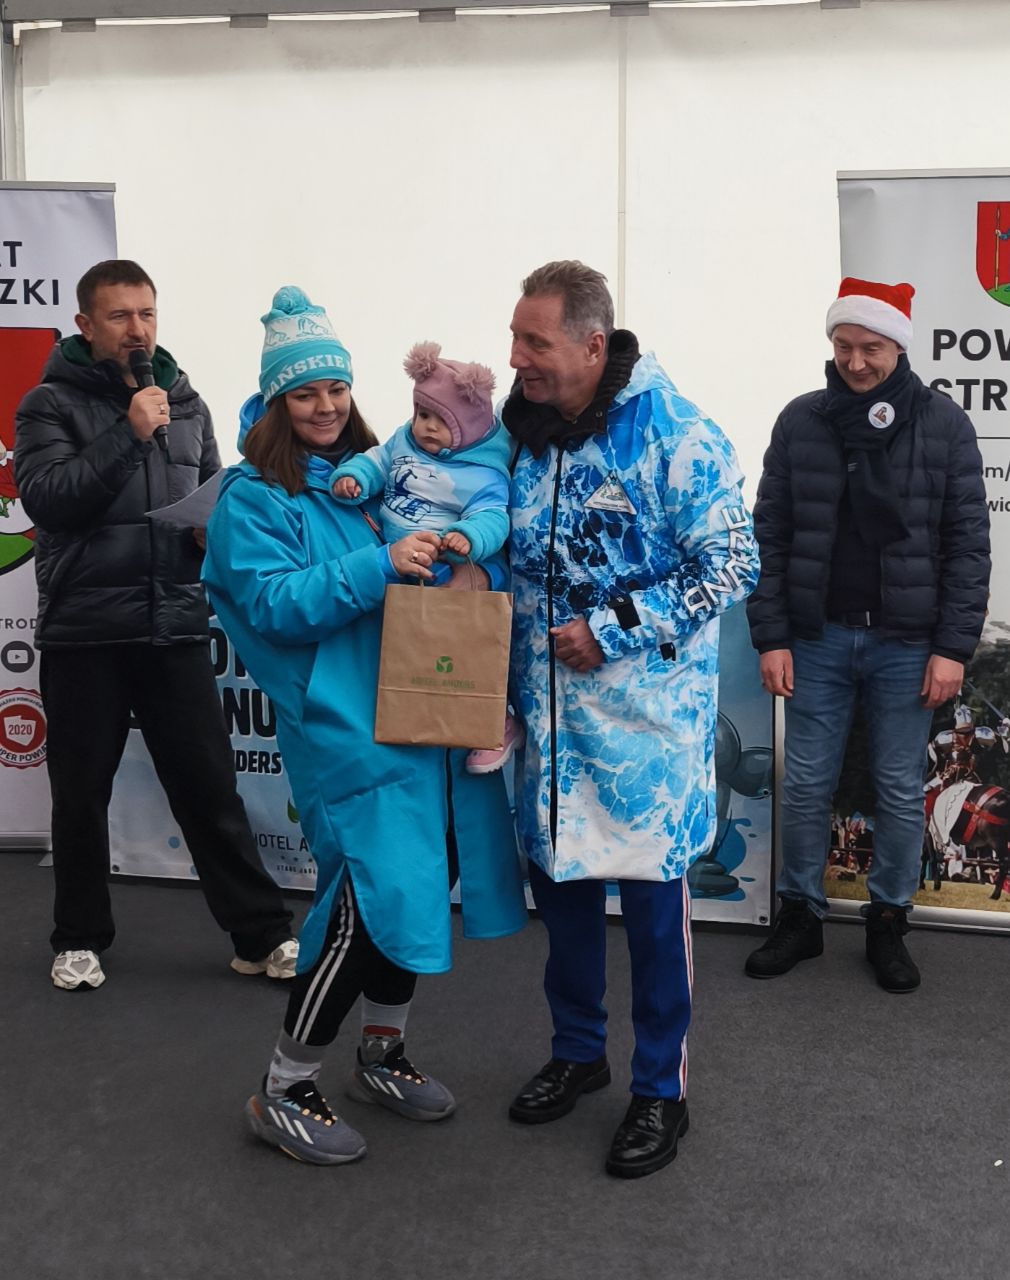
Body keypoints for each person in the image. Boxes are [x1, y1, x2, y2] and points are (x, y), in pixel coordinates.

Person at [201, 286, 527, 1167]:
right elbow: (273, 607)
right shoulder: (251, 498)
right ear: (275, 401)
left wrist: (470, 560)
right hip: (342, 731)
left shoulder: (370, 477)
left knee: (423, 883)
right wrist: (380, 563)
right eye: (305, 393)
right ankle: (284, 1085)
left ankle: (381, 1052)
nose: (326, 407)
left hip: (420, 715)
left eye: (337, 389)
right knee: (364, 906)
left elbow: (445, 546)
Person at [503, 260, 758, 1179]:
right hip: (550, 729)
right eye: (514, 337)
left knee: (653, 923)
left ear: (592, 344)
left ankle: (661, 1090)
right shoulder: (526, 432)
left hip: (646, 741)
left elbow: (732, 563)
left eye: (535, 341)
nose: (516, 357)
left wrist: (613, 627)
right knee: (564, 903)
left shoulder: (677, 434)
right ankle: (579, 1052)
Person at [14, 259, 297, 992]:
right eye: (119, 316)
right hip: (85, 630)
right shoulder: (47, 404)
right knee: (81, 795)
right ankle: (79, 938)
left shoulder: (187, 402)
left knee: (210, 789)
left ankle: (260, 935)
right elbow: (49, 500)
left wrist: (210, 534)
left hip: (172, 623)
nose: (137, 329)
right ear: (85, 325)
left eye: (146, 313)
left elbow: (211, 498)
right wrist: (128, 434)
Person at [745, 278, 991, 993]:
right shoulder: (801, 421)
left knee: (897, 786)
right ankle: (801, 915)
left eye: (870, 348)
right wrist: (771, 636)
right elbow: (770, 536)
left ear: (898, 348)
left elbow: (967, 545)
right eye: (844, 346)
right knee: (805, 783)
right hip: (816, 638)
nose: (855, 361)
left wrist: (952, 648)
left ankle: (888, 919)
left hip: (908, 645)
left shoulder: (943, 424)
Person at [331, 340, 521, 773]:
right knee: (415, 650)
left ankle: (496, 720)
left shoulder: (483, 472)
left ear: (468, 427)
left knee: (467, 644)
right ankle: (415, 711)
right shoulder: (403, 442)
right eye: (422, 415)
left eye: (441, 420)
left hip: (446, 567)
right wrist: (354, 476)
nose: (427, 427)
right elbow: (376, 461)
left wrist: (469, 536)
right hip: (401, 566)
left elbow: (494, 517)